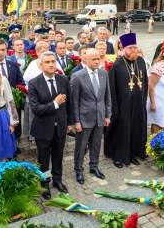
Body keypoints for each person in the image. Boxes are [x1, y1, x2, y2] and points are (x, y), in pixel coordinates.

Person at [28, 51, 74, 199]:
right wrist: (54, 103)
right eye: (47, 62)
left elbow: (70, 104)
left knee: (58, 156)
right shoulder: (34, 83)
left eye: (53, 61)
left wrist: (70, 122)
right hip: (43, 129)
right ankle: (45, 184)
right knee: (43, 160)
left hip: (60, 126)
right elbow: (35, 109)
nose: (51, 64)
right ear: (41, 65)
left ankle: (57, 180)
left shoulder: (63, 80)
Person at [107, 33, 148, 168]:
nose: (133, 51)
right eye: (130, 48)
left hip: (138, 104)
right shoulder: (117, 65)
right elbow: (112, 88)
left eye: (135, 48)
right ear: (123, 49)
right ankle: (119, 156)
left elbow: (145, 83)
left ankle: (133, 154)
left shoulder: (141, 62)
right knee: (122, 131)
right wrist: (114, 107)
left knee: (135, 130)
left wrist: (143, 100)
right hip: (122, 106)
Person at [71, 48, 111, 185]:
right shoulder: (78, 76)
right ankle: (78, 169)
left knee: (96, 144)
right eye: (93, 59)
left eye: (98, 58)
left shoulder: (103, 73)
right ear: (85, 60)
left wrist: (107, 115)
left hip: (100, 116)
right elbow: (74, 101)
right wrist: (76, 120)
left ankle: (94, 166)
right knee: (81, 146)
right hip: (84, 118)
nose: (96, 61)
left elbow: (107, 96)